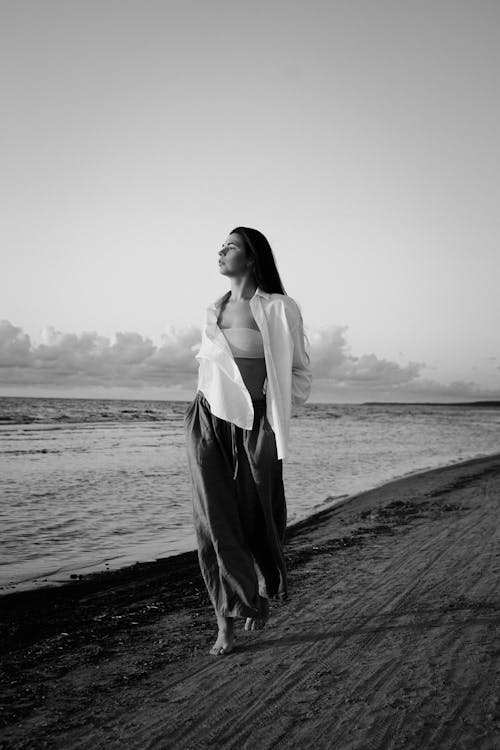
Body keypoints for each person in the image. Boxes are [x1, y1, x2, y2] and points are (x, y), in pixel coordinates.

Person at [183, 226, 312, 655]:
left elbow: (300, 372)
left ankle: (261, 587)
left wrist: (276, 414)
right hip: (207, 423)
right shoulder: (212, 310)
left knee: (260, 515)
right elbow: (211, 375)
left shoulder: (278, 309)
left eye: (231, 247)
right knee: (213, 523)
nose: (221, 252)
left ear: (252, 258)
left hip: (258, 425)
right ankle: (227, 622)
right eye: (221, 246)